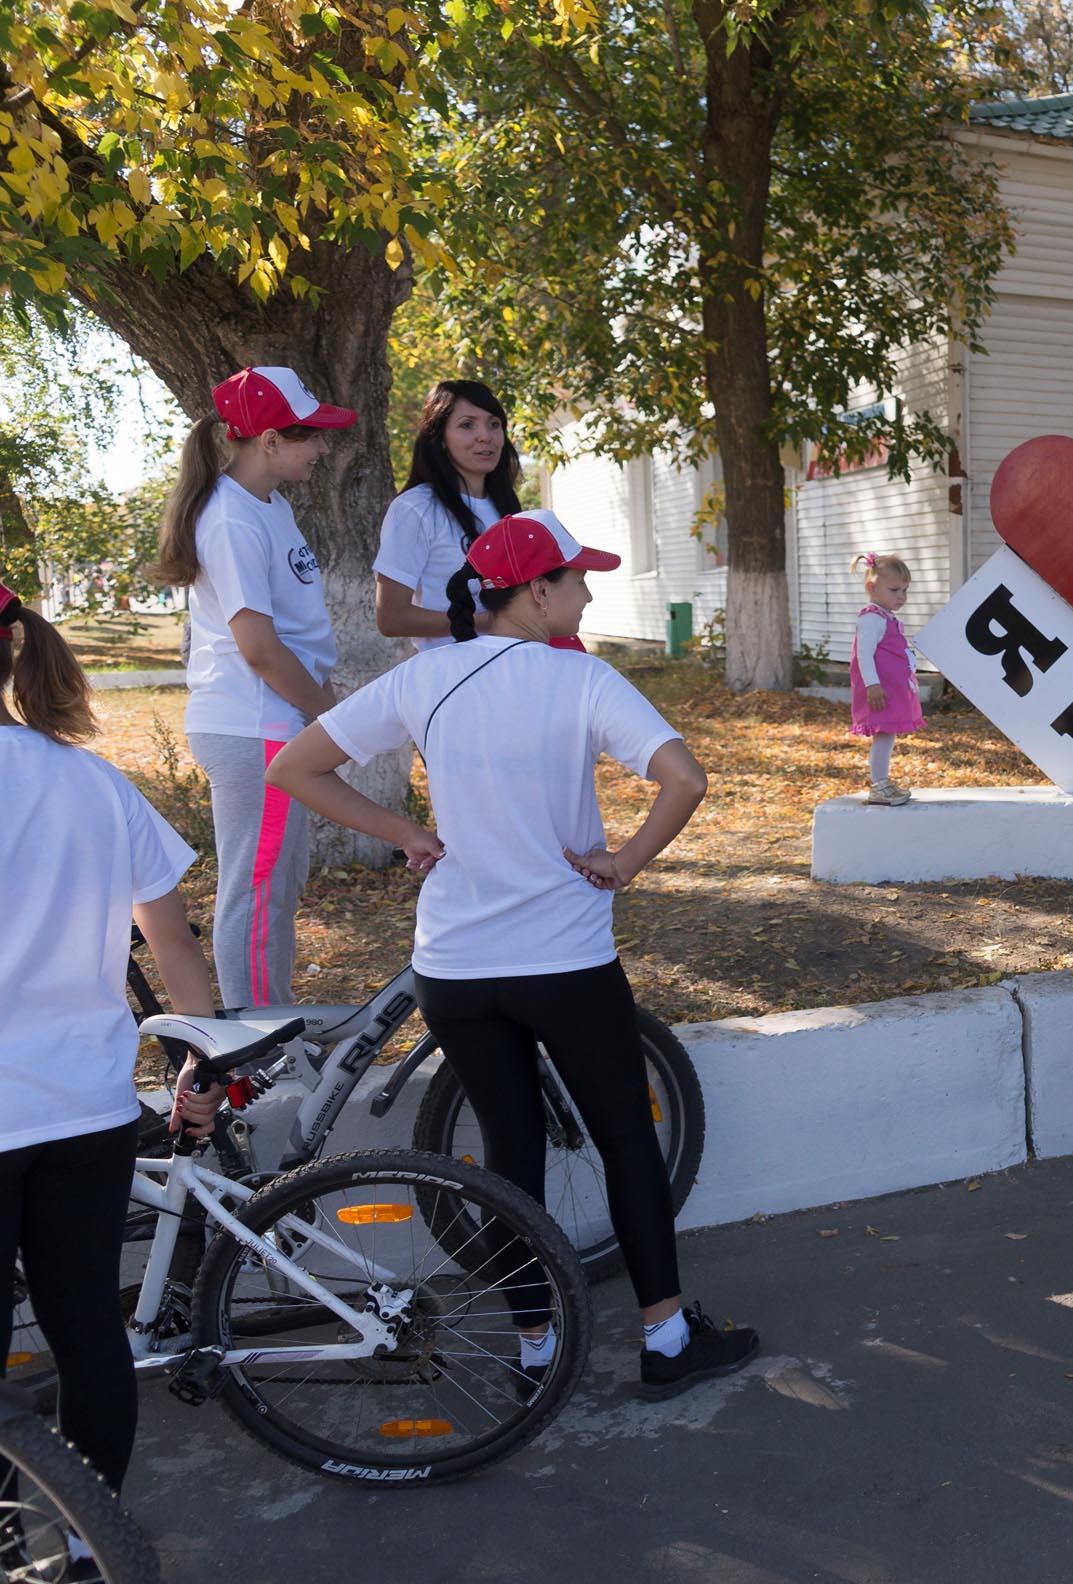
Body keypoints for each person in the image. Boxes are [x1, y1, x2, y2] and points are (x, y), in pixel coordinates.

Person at [264, 515, 756, 1401]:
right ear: (536, 590)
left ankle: (533, 1350)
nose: (589, 593)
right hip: (563, 959)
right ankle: (668, 1338)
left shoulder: (425, 678)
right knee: (625, 1143)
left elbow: (295, 767)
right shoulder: (581, 679)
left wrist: (405, 831)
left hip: (455, 968)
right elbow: (685, 778)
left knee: (509, 1157)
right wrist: (625, 863)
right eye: (576, 579)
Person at [1, 579, 221, 1532]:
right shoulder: (91, 782)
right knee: (89, 1334)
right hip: (88, 1112)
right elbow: (174, 946)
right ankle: (88, 1541)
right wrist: (202, 1063)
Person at [152, 365, 351, 1009]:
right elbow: (260, 650)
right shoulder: (232, 520)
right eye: (311, 436)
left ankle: (270, 1019)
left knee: (275, 888)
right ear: (268, 440)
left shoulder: (269, 506)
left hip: (274, 720)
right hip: (255, 725)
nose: (323, 448)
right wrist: (331, 719)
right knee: (256, 889)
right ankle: (257, 1043)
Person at [373, 380, 580, 652]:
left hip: (519, 665)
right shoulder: (415, 508)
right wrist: (489, 622)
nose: (485, 436)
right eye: (467, 425)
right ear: (439, 438)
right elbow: (391, 618)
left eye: (494, 424)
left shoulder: (507, 508)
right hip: (455, 676)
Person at [851, 552, 924, 805]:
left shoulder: (887, 617)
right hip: (879, 690)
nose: (901, 596)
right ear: (872, 587)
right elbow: (864, 654)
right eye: (894, 590)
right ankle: (879, 785)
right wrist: (872, 685)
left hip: (890, 689)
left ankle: (882, 782)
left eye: (905, 590)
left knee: (888, 734)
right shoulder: (871, 618)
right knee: (884, 734)